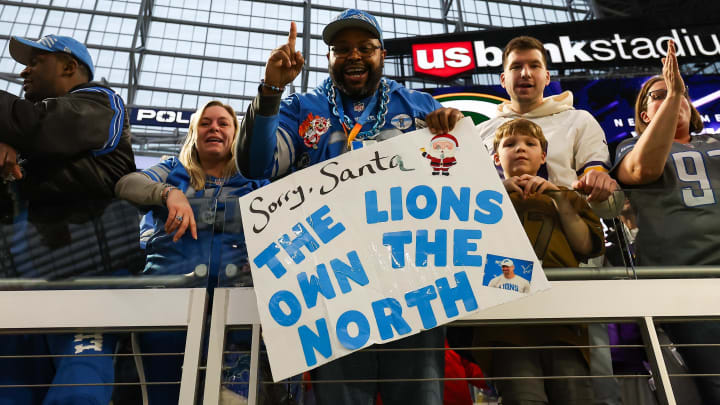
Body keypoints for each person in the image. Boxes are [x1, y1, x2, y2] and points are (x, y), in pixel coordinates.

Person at [236, 8, 462, 405]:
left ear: (383, 54)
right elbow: (257, 165)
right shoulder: (302, 108)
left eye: (364, 47)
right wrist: (271, 90)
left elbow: (454, 182)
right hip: (334, 288)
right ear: (328, 58)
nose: (353, 56)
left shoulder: (418, 105)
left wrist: (451, 133)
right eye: (341, 49)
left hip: (413, 285)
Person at [0, 35, 136, 405]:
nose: (23, 70)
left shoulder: (102, 102)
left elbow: (37, 126)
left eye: (36, 61)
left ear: (69, 66)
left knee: (79, 391)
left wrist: (14, 146)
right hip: (18, 290)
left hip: (86, 283)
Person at [115, 100, 269, 404]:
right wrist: (167, 193)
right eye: (205, 123)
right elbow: (127, 183)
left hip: (238, 314)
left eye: (223, 123)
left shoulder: (256, 181)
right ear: (193, 133)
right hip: (167, 308)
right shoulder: (173, 169)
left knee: (233, 400)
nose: (214, 128)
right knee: (162, 398)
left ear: (236, 135)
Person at [611, 40, 720, 403]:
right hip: (686, 285)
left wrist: (672, 95)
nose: (675, 98)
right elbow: (642, 170)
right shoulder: (630, 146)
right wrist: (673, 93)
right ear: (644, 115)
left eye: (681, 95)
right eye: (659, 96)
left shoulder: (716, 141)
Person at [474, 118, 604, 405]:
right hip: (506, 325)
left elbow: (585, 245)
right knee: (523, 396)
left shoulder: (567, 196)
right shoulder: (478, 200)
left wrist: (558, 197)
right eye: (510, 144)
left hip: (562, 321)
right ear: (496, 157)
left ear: (543, 156)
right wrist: (496, 194)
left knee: (574, 395)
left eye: (530, 144)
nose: (520, 149)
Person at [474, 36, 617, 204]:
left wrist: (601, 184)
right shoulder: (479, 132)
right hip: (497, 227)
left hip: (567, 227)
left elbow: (604, 201)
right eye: (516, 67)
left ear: (547, 77)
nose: (525, 73)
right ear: (503, 80)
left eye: (534, 66)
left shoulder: (579, 120)